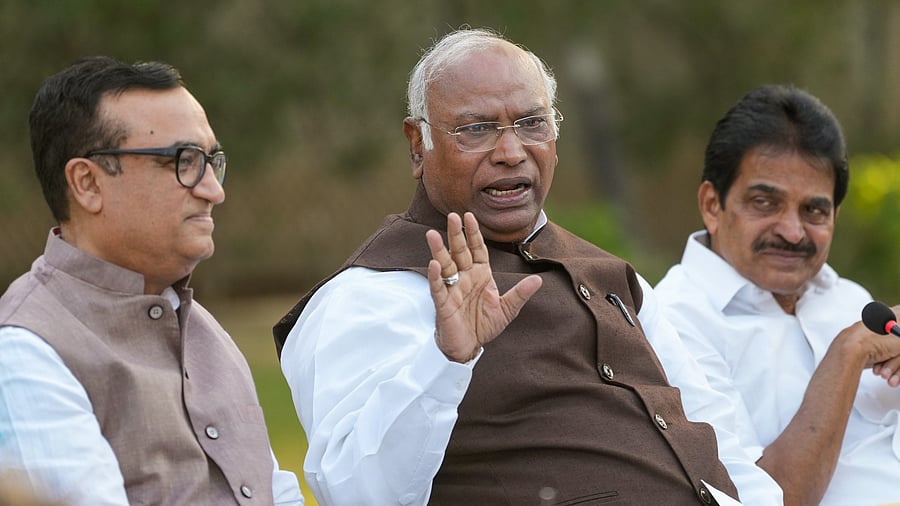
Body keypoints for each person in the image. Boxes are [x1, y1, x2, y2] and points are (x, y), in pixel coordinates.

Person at [274, 28, 783, 505]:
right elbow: (354, 491)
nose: (511, 152)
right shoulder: (367, 294)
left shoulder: (613, 276)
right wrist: (446, 361)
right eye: (476, 129)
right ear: (417, 145)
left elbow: (721, 441)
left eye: (532, 123)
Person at [0, 56, 304, 505]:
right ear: (87, 183)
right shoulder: (27, 351)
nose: (213, 190)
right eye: (183, 161)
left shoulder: (204, 332)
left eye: (211, 161)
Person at [655, 84, 900, 506]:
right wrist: (849, 351)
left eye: (814, 211)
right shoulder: (674, 325)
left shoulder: (848, 298)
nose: (792, 231)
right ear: (712, 205)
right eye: (765, 202)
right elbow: (767, 500)